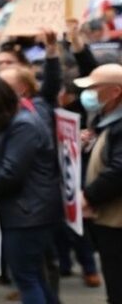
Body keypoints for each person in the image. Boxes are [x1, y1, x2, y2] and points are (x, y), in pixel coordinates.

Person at [0, 76, 61, 304]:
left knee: (27, 278)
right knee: (34, 276)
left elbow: (11, 172)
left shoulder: (23, 125)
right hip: (24, 211)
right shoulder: (7, 123)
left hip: (28, 214)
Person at [77, 64, 122, 303]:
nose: (89, 94)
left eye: (94, 88)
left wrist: (89, 196)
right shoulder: (107, 118)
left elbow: (118, 171)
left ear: (115, 92)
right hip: (109, 219)